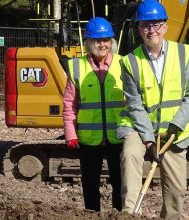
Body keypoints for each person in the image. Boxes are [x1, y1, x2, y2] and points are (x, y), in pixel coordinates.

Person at [116, 0, 189, 219]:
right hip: (141, 127)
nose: (151, 30)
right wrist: (148, 140)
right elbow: (135, 105)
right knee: (130, 154)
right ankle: (131, 213)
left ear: (164, 26)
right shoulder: (130, 62)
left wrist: (177, 125)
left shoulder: (184, 53)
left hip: (174, 130)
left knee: (176, 191)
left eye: (156, 24)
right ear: (139, 29)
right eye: (145, 25)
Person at [63, 17, 124, 212]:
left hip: (119, 137)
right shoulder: (77, 67)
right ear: (88, 42)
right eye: (97, 40)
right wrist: (70, 133)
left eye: (106, 40)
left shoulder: (125, 64)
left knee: (121, 184)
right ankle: (91, 215)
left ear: (112, 42)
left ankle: (120, 216)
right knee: (90, 184)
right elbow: (69, 104)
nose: (102, 44)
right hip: (89, 140)